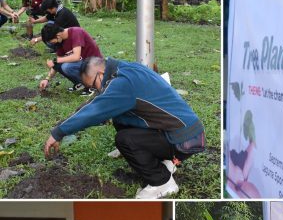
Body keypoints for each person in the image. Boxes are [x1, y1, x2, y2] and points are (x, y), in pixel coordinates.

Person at [43, 56, 206, 199]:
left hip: (184, 140)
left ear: (100, 74)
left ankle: (162, 182)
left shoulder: (122, 84)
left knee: (125, 140)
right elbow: (96, 104)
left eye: (93, 86)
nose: (96, 91)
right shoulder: (127, 69)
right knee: (120, 119)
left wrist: (58, 133)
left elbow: (93, 111)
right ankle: (165, 160)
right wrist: (61, 126)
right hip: (187, 134)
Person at [39, 24, 102, 95]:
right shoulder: (60, 42)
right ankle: (81, 84)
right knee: (60, 65)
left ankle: (92, 85)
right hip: (82, 63)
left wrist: (55, 60)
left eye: (52, 41)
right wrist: (47, 79)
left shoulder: (76, 32)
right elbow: (57, 63)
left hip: (95, 63)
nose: (53, 44)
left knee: (66, 66)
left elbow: (76, 57)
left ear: (58, 35)